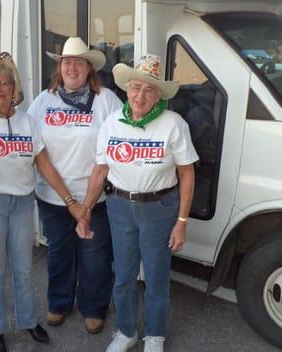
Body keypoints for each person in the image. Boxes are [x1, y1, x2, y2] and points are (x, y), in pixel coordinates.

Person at [0, 52, 83, 352]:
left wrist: (69, 200)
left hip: (23, 205)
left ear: (13, 88)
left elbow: (45, 165)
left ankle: (28, 321)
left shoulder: (28, 122)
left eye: (3, 83)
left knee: (24, 270)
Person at [78, 55, 198, 352]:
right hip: (119, 206)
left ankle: (155, 334)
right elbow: (100, 170)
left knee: (156, 276)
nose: (140, 96)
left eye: (149, 89)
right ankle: (127, 331)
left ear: (158, 94)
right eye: (135, 88)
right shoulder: (112, 123)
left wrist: (181, 223)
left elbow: (187, 174)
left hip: (159, 209)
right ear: (126, 90)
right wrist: (86, 210)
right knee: (124, 274)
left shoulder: (173, 124)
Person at [27, 37, 122, 334]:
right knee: (59, 253)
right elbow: (33, 146)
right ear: (60, 67)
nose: (71, 68)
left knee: (95, 257)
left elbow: (118, 143)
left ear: (89, 68)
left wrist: (86, 204)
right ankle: (59, 303)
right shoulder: (44, 101)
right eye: (66, 62)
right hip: (53, 197)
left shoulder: (106, 100)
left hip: (95, 199)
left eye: (78, 63)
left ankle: (93, 308)